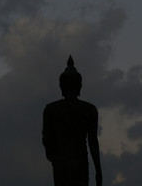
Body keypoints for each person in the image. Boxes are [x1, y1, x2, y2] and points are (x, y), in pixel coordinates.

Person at [42, 55, 102, 186]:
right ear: (79, 86)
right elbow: (93, 143)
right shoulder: (89, 110)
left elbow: (46, 139)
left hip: (61, 162)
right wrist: (98, 171)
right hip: (79, 161)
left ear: (61, 87)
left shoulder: (51, 110)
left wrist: (54, 157)